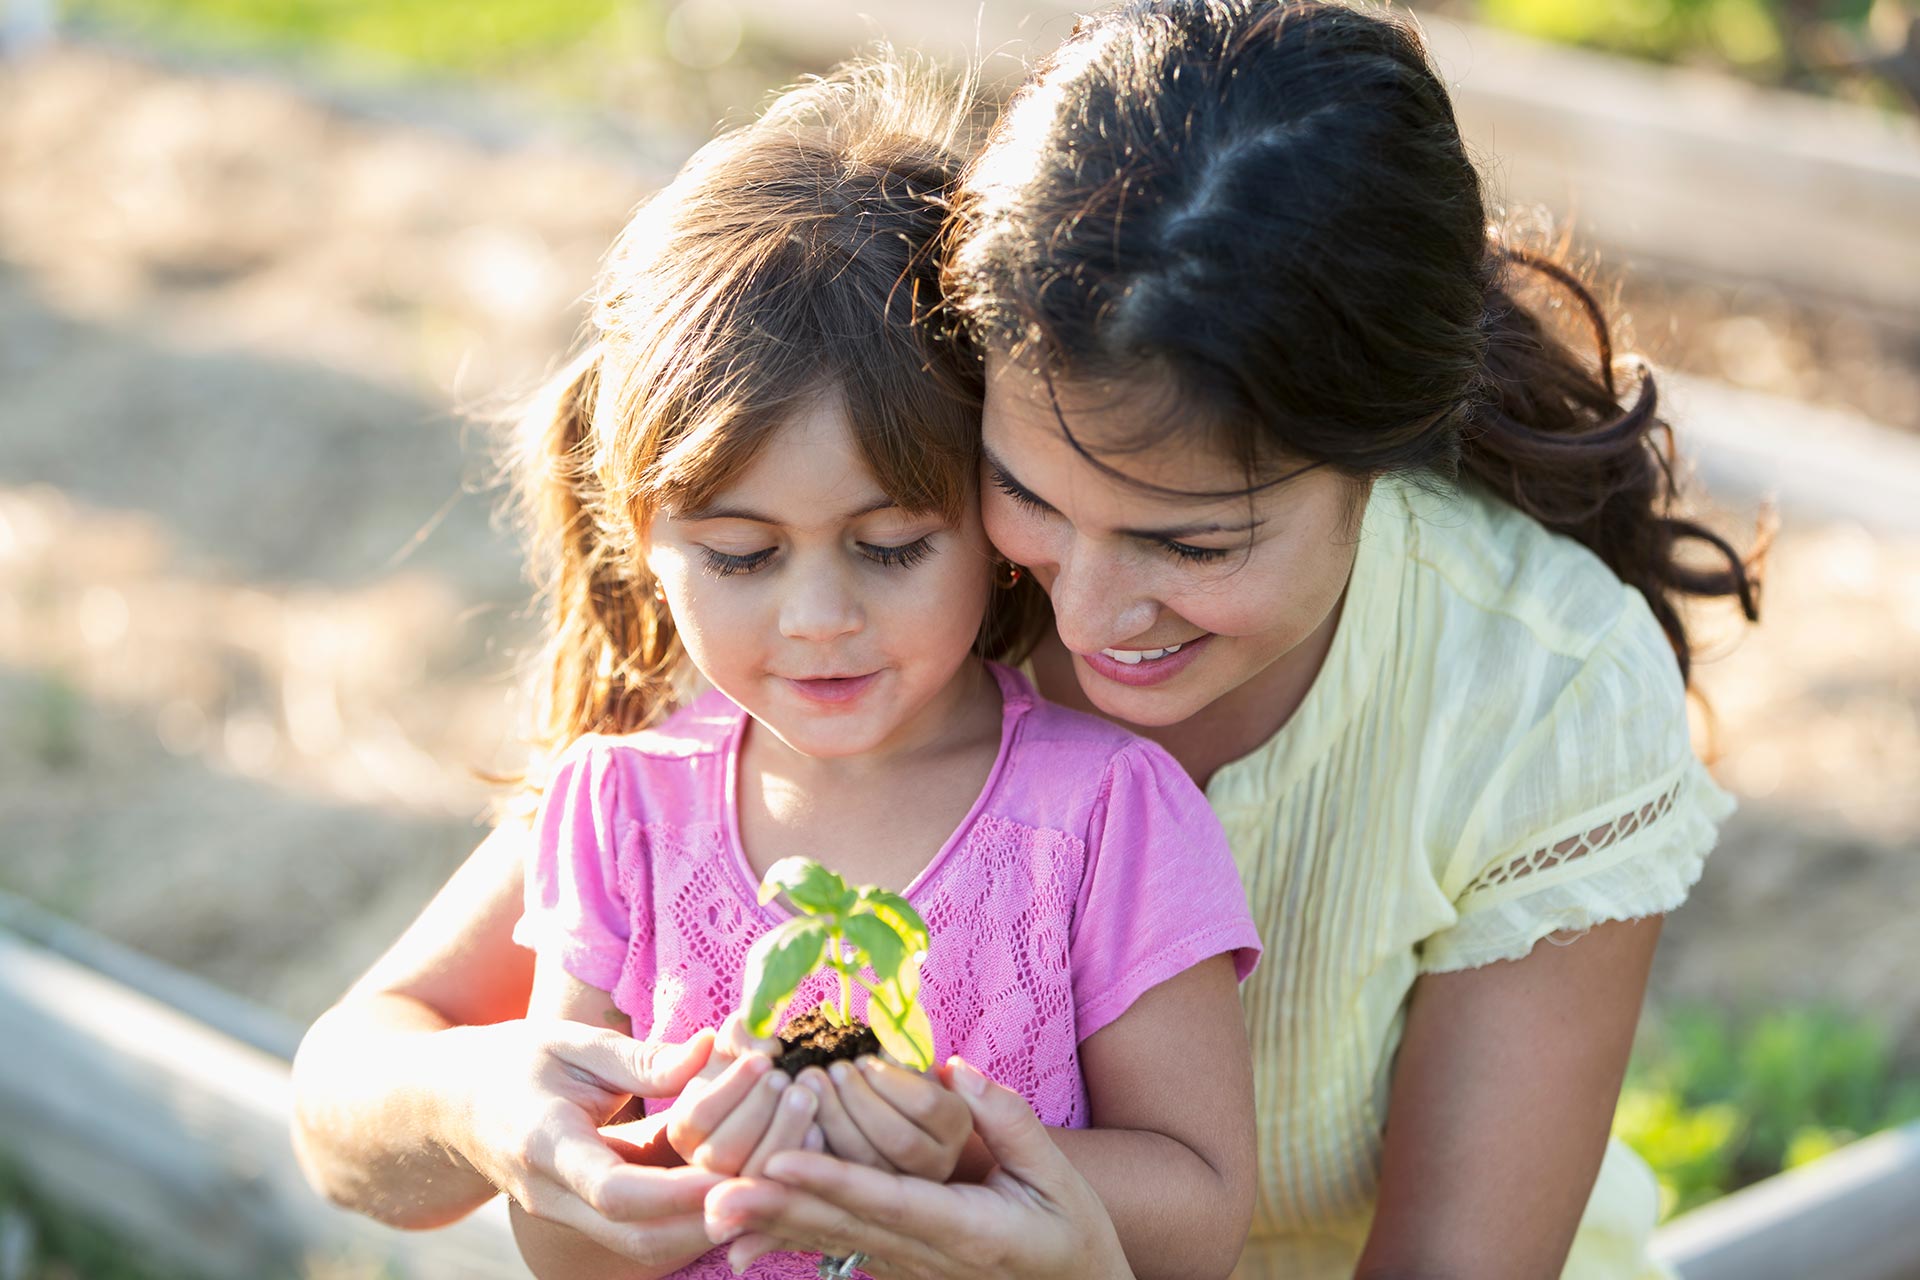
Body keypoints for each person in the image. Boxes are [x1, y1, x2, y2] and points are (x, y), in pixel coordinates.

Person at [293, 3, 1764, 1277]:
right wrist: (483, 1105)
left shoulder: (1535, 691)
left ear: (1380, 462)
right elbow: (358, 1093)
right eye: (1032, 499)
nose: (1088, 611)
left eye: (1195, 541)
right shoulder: (867, 594)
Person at [335, 57, 1261, 1280]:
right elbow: (568, 1243)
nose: (818, 617)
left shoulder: (1108, 816)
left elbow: (1201, 1213)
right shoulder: (622, 814)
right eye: (740, 555)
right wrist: (645, 1163)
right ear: (644, 536)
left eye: (889, 547)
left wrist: (968, 1162)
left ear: (995, 521)